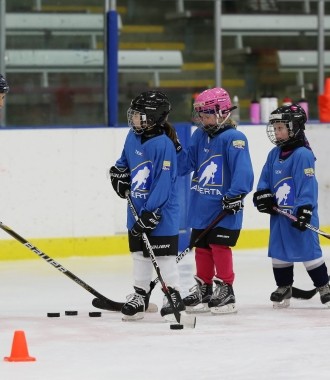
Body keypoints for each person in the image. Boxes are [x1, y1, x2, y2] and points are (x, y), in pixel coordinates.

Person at [177, 87, 254, 314]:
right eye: (200, 113)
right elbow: (185, 165)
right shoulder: (199, 135)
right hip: (201, 203)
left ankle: (226, 289)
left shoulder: (234, 138)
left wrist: (236, 194)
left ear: (222, 112)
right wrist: (172, 149)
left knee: (219, 246)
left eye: (207, 113)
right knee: (201, 246)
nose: (202, 118)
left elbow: (243, 170)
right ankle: (204, 287)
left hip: (224, 205)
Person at [109, 90, 185, 321]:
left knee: (164, 257)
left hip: (161, 212)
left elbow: (164, 182)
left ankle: (172, 295)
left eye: (138, 115)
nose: (132, 118)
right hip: (136, 208)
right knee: (140, 255)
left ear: (153, 118)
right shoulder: (132, 136)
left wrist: (151, 212)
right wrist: (117, 175)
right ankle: (140, 296)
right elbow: (123, 163)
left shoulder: (163, 144)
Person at [253, 104, 330, 308]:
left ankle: (324, 286)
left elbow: (307, 186)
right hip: (279, 216)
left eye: (281, 128)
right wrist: (263, 195)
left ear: (294, 127)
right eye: (275, 128)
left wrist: (304, 209)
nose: (277, 132)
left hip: (299, 216)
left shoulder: (302, 154)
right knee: (279, 251)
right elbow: (265, 180)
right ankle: (284, 286)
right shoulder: (273, 154)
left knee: (308, 251)